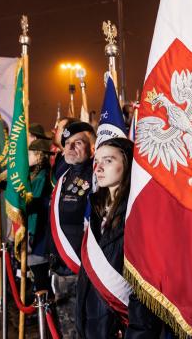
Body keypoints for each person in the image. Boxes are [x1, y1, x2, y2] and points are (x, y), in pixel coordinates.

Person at [76, 138, 134, 338]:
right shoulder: (97, 206)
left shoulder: (135, 212)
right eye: (97, 161)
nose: (98, 168)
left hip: (121, 320)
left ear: (126, 164)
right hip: (92, 315)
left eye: (108, 161)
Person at [48, 121, 96, 338]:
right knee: (64, 327)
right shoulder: (63, 175)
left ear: (92, 147)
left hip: (82, 270)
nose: (70, 148)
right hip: (60, 268)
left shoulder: (97, 176)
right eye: (67, 143)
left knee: (86, 329)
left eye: (78, 143)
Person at [27, 138, 54, 293]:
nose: (27, 157)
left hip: (39, 232)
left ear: (38, 155)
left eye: (30, 154)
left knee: (40, 273)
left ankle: (43, 310)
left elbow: (35, 203)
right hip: (37, 231)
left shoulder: (42, 177)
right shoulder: (37, 175)